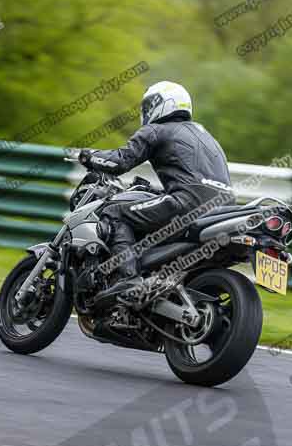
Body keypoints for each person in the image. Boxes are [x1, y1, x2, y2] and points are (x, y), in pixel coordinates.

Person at [78, 81, 233, 306]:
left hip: (187, 202)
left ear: (161, 104)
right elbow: (195, 178)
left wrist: (89, 156)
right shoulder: (206, 135)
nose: (146, 111)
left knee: (114, 212)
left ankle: (127, 280)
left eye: (149, 105)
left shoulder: (156, 130)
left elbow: (120, 162)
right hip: (224, 207)